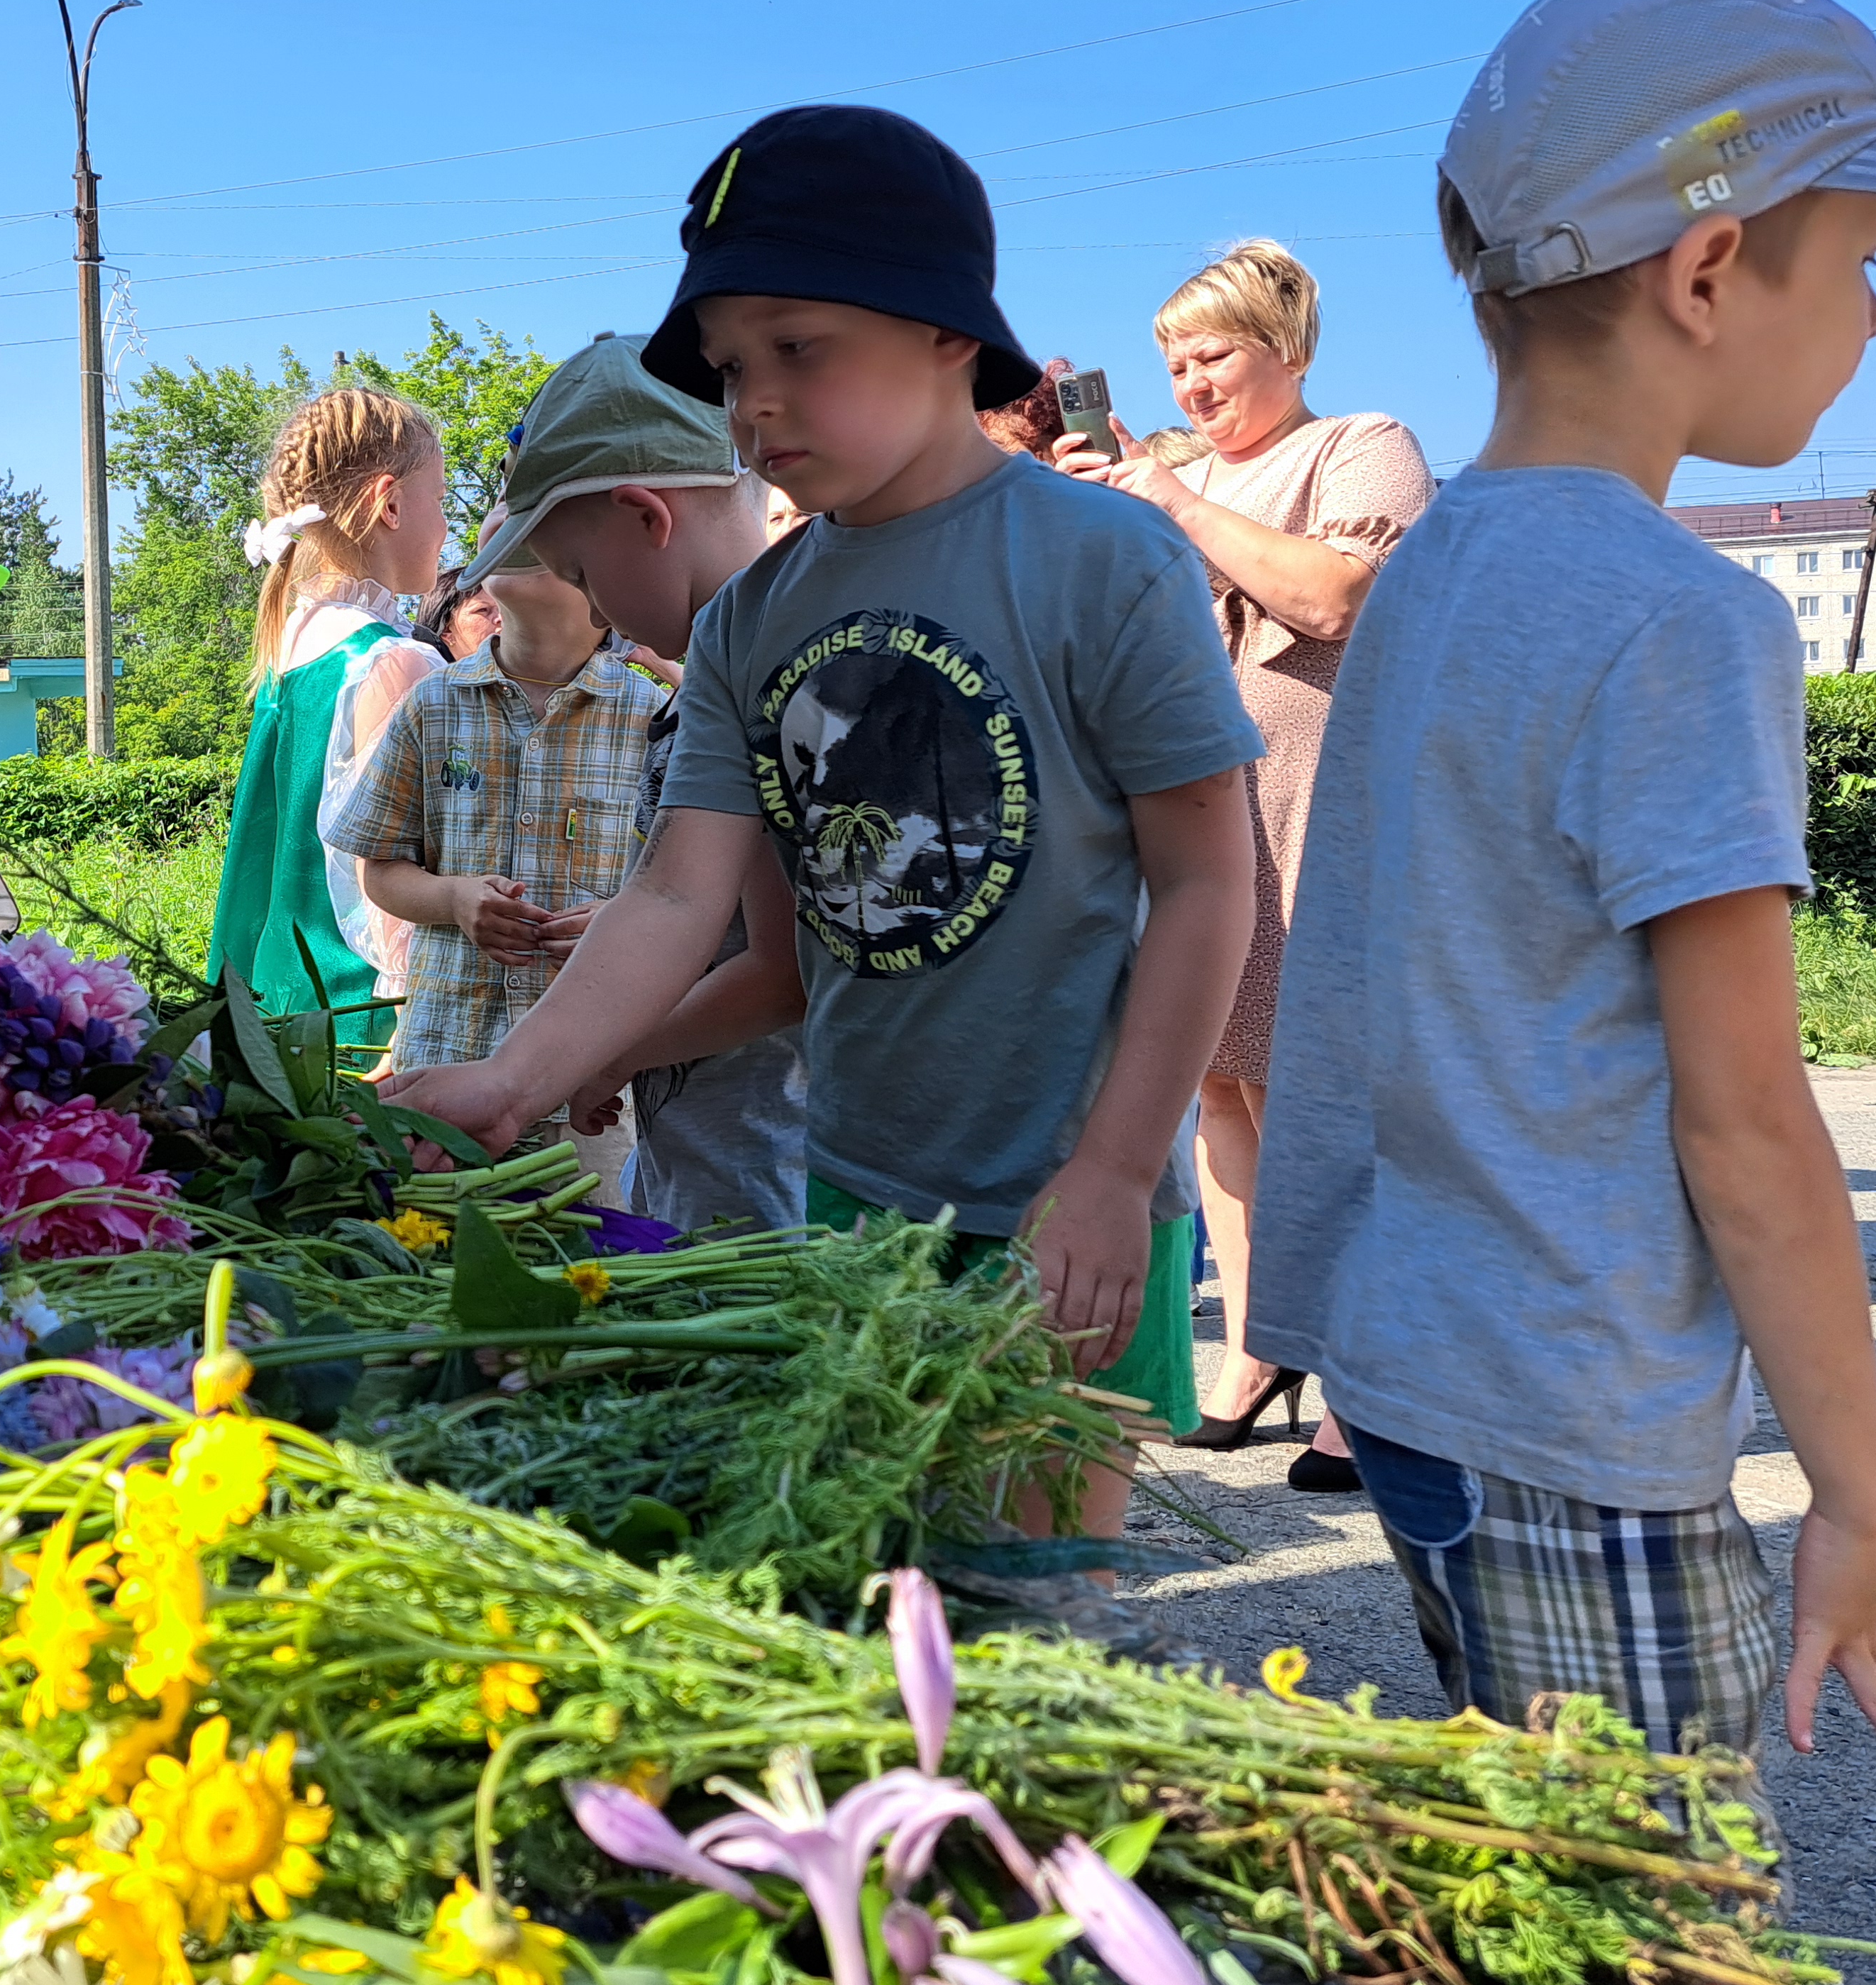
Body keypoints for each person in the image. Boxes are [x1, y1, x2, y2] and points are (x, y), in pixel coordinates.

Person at [1252, 0, 1876, 1777]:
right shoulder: (1678, 618)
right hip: (1573, 1413)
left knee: (1534, 1864)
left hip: (1406, 1371)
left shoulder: (1427, 570)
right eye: (1866, 250)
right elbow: (1744, 1118)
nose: (1875, 315)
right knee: (1655, 1927)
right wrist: (1858, 1488)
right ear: (1707, 269)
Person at [387, 105, 1264, 1527]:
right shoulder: (748, 627)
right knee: (889, 1578)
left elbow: (1206, 882)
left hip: (1065, 1199)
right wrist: (516, 1075)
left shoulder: (1104, 559)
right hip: (856, 1190)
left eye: (796, 348)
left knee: (1037, 1598)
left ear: (942, 332)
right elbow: (677, 901)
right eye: (732, 368)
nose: (754, 404)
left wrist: (1112, 1168)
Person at [1054, 241, 1434, 1493]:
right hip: (1195, 815)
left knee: (1330, 1102)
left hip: (1327, 804)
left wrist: (1167, 502)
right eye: (1171, 361)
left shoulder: (1357, 444)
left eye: (1210, 352)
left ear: (1287, 348)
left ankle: (1372, 1377)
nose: (1189, 380)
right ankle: (1260, 1345)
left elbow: (1338, 596)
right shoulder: (1168, 475)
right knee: (1219, 1085)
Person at [457, 329, 810, 1239]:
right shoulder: (732, 662)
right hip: (715, 1142)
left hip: (790, 1160)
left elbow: (780, 971)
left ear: (647, 516)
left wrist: (600, 1057)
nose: (594, 608)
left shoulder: (779, 655)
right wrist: (522, 1078)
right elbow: (670, 894)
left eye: (580, 571)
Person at [326, 553, 663, 1183]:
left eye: (549, 534)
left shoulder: (654, 719)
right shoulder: (432, 704)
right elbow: (379, 871)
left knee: (586, 1251)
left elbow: (681, 896)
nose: (524, 535)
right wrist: (453, 898)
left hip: (590, 1083)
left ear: (605, 599)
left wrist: (621, 923)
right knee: (433, 1240)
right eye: (511, 519)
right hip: (447, 1058)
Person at [206, 385, 451, 1027]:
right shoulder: (394, 661)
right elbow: (391, 879)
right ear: (390, 502)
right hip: (370, 1016)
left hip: (283, 1007)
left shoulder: (295, 648)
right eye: (442, 500)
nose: (448, 527)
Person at [414, 568, 500, 663]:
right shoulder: (419, 674)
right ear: (447, 631)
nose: (501, 618)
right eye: (483, 610)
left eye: (504, 609)